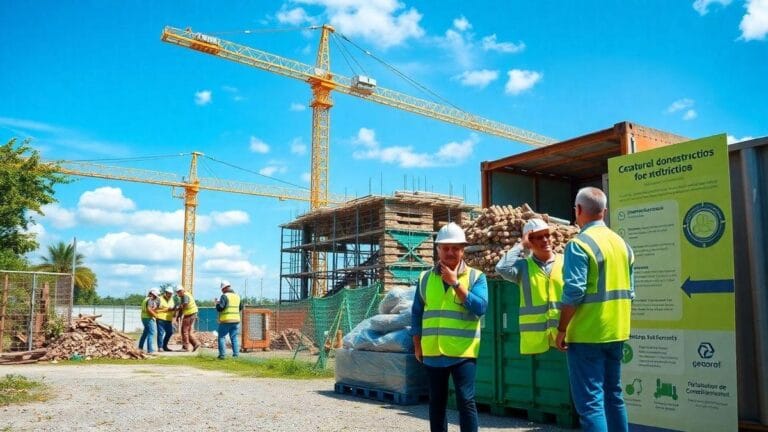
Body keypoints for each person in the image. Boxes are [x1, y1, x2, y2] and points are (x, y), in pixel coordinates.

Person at [555, 187, 635, 432]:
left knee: (591, 404)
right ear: (605, 211)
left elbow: (574, 293)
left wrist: (561, 329)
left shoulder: (579, 245)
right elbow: (630, 291)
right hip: (617, 332)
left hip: (588, 333)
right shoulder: (623, 245)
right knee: (614, 395)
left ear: (578, 210)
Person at [411, 222, 488, 432]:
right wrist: (417, 345)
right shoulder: (425, 278)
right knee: (436, 403)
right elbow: (417, 314)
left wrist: (456, 284)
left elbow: (480, 308)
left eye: (455, 248)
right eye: (445, 248)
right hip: (433, 352)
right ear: (438, 250)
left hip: (463, 352)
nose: (450, 252)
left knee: (466, 401)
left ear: (463, 250)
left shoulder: (476, 277)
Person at [495, 218, 564, 355]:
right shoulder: (523, 267)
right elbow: (501, 268)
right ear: (530, 242)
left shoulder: (565, 260)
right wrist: (521, 245)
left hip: (563, 335)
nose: (545, 240)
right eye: (539, 237)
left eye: (547, 235)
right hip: (536, 340)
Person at [215, 280, 244, 359]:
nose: (222, 291)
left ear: (224, 288)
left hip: (226, 320)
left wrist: (217, 304)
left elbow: (220, 308)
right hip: (236, 320)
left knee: (221, 337)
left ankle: (222, 355)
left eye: (222, 289)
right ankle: (236, 355)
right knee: (234, 337)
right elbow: (241, 307)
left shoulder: (224, 296)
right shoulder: (237, 296)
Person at [175, 284, 201, 352]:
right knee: (187, 331)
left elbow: (185, 304)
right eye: (178, 292)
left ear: (182, 291)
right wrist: (178, 316)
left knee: (184, 331)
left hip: (190, 314)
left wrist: (178, 307)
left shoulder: (185, 296)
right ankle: (195, 344)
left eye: (179, 292)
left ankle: (186, 347)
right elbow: (182, 308)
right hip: (191, 314)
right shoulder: (184, 295)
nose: (179, 294)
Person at [138, 288, 160, 354]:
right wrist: (156, 316)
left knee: (145, 333)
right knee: (151, 333)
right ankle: (150, 350)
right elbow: (149, 309)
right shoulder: (150, 299)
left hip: (144, 317)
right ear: (152, 293)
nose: (156, 297)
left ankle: (140, 347)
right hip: (148, 318)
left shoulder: (146, 299)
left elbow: (149, 308)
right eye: (155, 295)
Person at [155, 286, 177, 352]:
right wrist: (167, 309)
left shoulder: (172, 299)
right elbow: (155, 309)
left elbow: (172, 308)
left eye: (171, 294)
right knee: (161, 333)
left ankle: (164, 346)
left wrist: (174, 312)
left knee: (170, 332)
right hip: (160, 318)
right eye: (169, 293)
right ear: (165, 293)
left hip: (168, 319)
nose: (170, 295)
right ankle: (160, 347)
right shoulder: (159, 299)